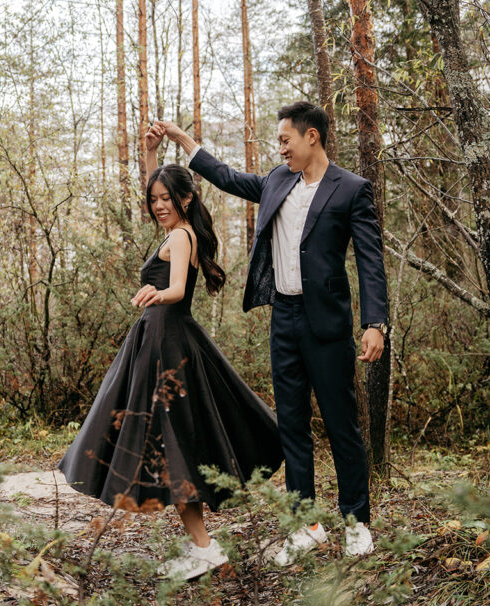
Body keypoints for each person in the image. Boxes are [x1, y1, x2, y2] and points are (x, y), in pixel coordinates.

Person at [153, 102, 388, 563]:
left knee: (342, 426)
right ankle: (306, 525)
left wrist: (375, 323)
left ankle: (356, 522)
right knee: (292, 426)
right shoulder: (278, 181)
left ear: (312, 137)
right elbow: (227, 177)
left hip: (328, 326)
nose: (279, 148)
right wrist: (184, 142)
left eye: (285, 139)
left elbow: (370, 261)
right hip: (284, 320)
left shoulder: (351, 190)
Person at [59, 133, 283, 580]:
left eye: (166, 198)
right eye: (154, 199)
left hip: (167, 346)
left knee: (173, 446)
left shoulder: (180, 238)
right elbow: (157, 188)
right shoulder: (177, 229)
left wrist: (154, 292)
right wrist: (149, 155)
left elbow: (179, 288)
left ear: (185, 198)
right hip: (160, 342)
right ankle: (203, 546)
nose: (158, 205)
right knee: (170, 446)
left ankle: (205, 548)